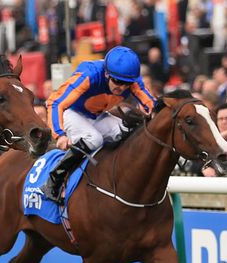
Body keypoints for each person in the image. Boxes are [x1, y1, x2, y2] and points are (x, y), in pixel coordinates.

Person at [41, 46, 156, 203]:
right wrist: (59, 134)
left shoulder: (133, 81)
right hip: (71, 113)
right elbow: (54, 102)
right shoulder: (90, 75)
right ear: (107, 74)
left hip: (97, 115)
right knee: (94, 139)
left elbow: (151, 105)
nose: (121, 87)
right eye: (117, 81)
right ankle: (54, 180)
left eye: (126, 84)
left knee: (127, 132)